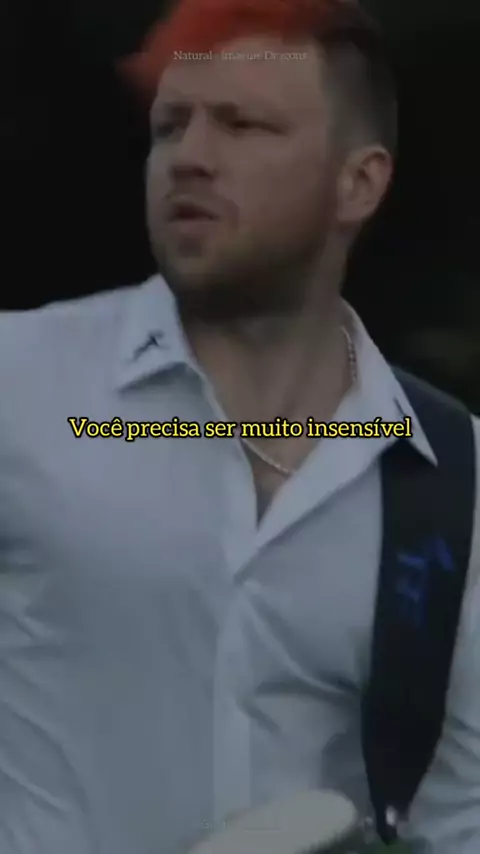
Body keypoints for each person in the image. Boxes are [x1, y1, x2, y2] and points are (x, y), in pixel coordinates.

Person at [0, 1, 479, 853]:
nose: (189, 156)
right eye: (170, 126)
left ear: (359, 183)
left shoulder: (454, 475)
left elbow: (461, 815)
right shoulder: (20, 381)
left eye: (243, 125)